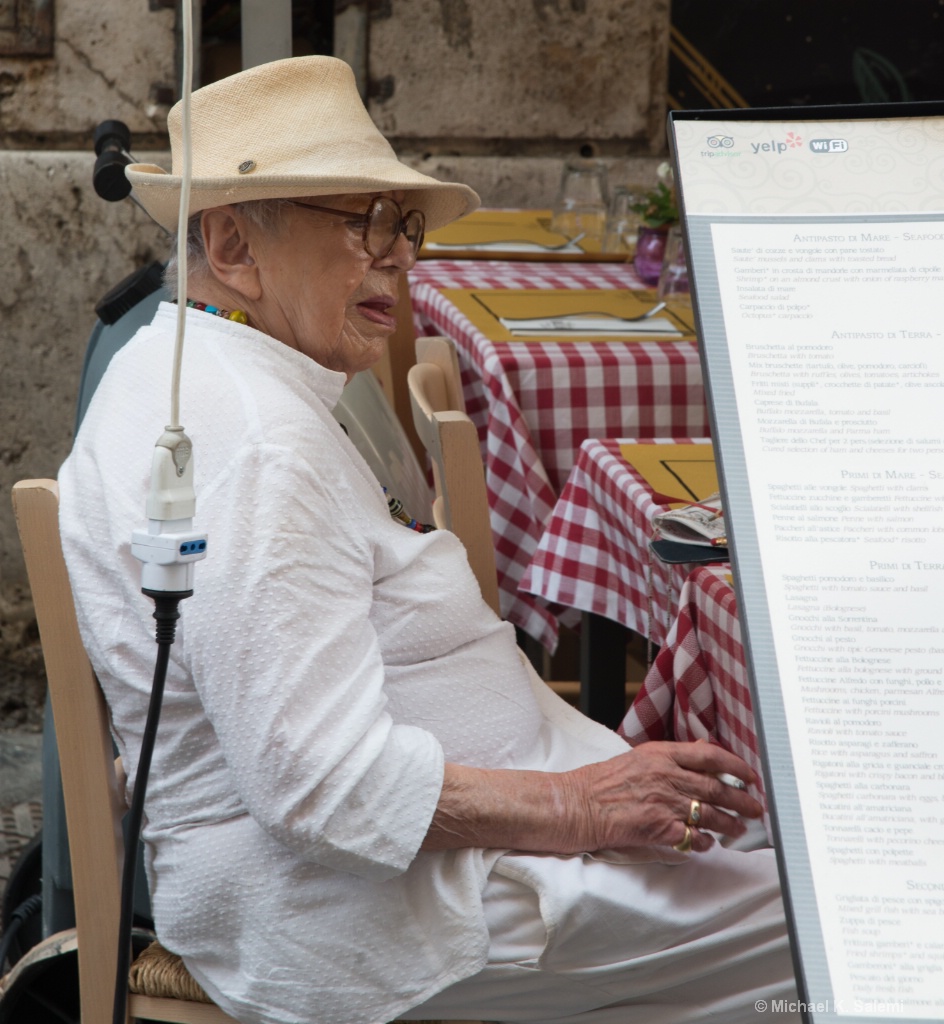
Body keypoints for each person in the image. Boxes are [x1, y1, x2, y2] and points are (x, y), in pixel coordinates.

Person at [58, 56, 799, 1024]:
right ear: (232, 243)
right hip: (371, 913)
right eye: (363, 223)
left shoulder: (186, 356)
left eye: (401, 224)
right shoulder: (257, 441)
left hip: (419, 870)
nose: (402, 257)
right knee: (855, 920)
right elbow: (320, 789)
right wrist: (579, 805)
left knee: (820, 861)